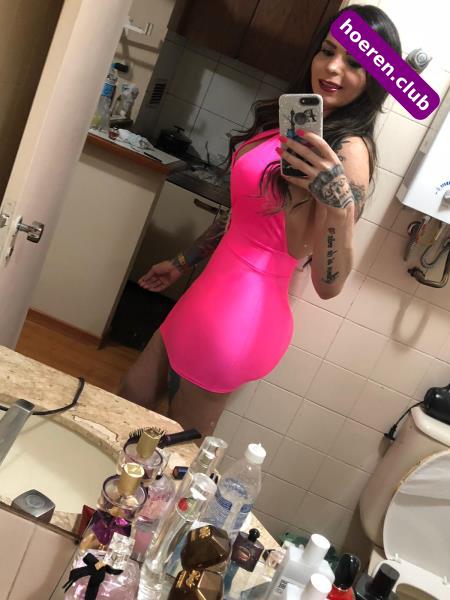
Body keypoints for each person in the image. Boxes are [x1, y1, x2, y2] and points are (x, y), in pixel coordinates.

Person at [119, 4, 401, 437]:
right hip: (208, 294)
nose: (333, 68)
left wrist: (338, 201)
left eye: (355, 62)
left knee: (173, 447)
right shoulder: (294, 124)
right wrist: (182, 260)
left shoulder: (349, 151)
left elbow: (329, 285)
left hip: (241, 316)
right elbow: (245, 215)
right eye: (328, 51)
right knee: (129, 403)